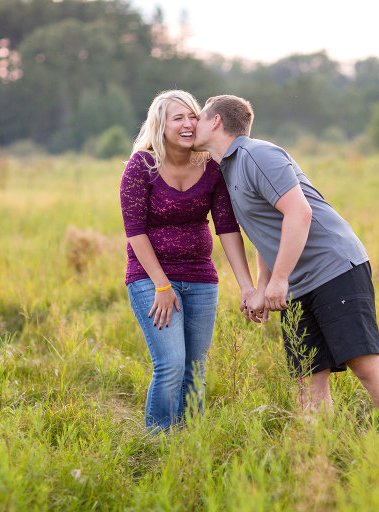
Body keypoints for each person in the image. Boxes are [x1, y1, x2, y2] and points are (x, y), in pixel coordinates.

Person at [192, 95, 379, 437]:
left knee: (363, 362)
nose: (193, 124)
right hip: (296, 281)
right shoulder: (229, 169)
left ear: (216, 121)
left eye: (199, 117)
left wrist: (279, 280)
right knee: (308, 376)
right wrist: (262, 285)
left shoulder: (257, 154)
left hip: (334, 267)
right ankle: (320, 457)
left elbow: (300, 212)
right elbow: (269, 232)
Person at [120, 90, 255, 433]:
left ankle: (190, 441)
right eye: (177, 117)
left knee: (195, 367)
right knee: (170, 363)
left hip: (200, 279)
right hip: (151, 278)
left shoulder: (212, 168)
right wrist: (162, 285)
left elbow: (227, 229)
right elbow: (135, 233)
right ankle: (158, 441)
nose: (187, 123)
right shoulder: (142, 166)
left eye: (192, 116)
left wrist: (247, 286)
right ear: (160, 125)